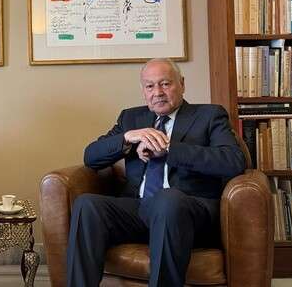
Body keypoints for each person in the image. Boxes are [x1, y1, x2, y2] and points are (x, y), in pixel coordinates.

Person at [66, 58, 246, 287]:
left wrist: (169, 149)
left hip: (186, 213)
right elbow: (91, 157)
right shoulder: (131, 118)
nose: (157, 92)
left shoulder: (209, 115)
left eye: (165, 84)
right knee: (87, 204)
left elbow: (233, 161)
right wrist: (128, 138)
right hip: (139, 209)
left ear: (182, 84)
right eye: (150, 86)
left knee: (167, 199)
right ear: (143, 90)